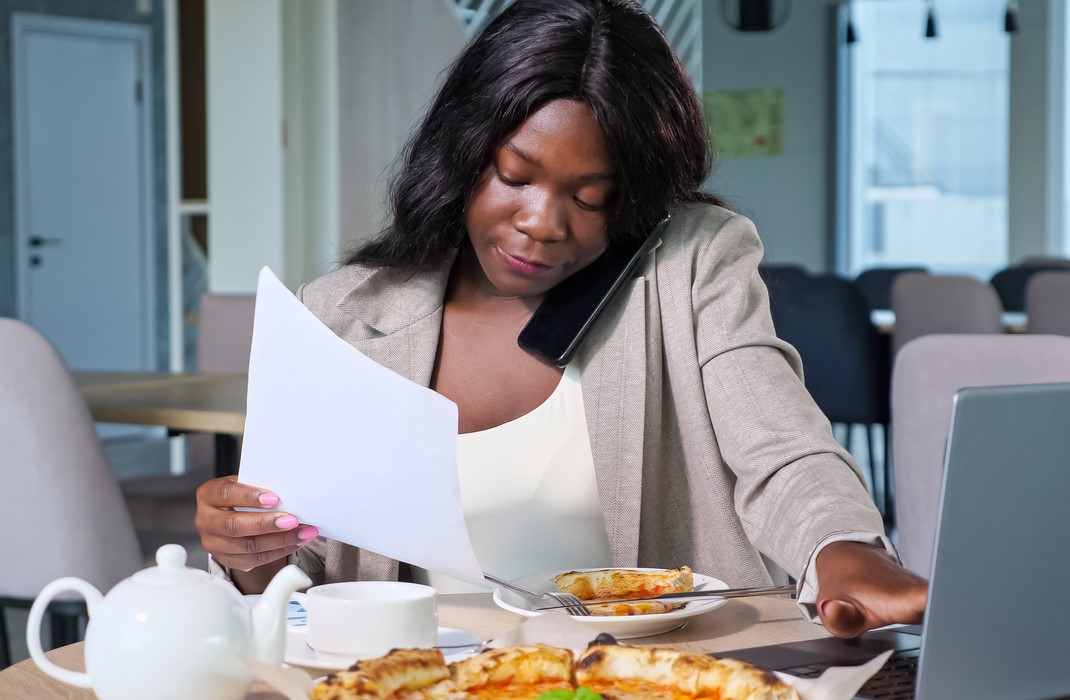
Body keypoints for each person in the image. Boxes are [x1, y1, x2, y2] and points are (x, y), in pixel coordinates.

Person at [196, 0, 926, 638]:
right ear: (463, 155)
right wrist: (246, 555)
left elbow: (782, 451)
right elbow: (298, 582)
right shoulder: (342, 315)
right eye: (515, 177)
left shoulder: (690, 266)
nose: (542, 223)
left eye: (590, 196)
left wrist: (844, 549)